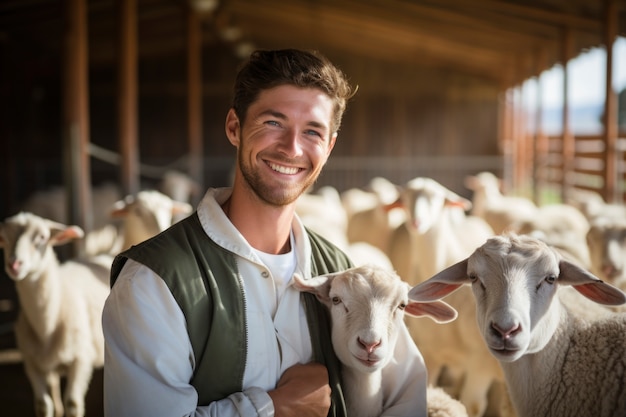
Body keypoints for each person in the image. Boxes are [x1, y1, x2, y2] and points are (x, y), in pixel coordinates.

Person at [102, 48, 427, 417]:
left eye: (312, 132)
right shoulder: (154, 281)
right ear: (234, 128)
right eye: (274, 123)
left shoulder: (341, 272)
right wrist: (273, 407)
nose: (291, 148)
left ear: (329, 147)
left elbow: (407, 396)